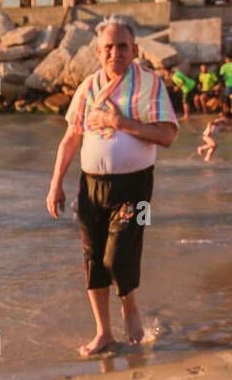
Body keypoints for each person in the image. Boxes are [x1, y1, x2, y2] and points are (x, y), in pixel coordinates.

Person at [45, 19, 179, 355]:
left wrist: (119, 122)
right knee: (93, 259)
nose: (115, 53)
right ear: (97, 51)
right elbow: (71, 137)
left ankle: (130, 308)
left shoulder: (149, 84)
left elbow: (167, 135)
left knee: (118, 256)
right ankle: (103, 333)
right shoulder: (88, 87)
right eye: (108, 47)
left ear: (134, 50)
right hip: (90, 185)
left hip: (134, 186)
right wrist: (55, 183)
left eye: (122, 46)